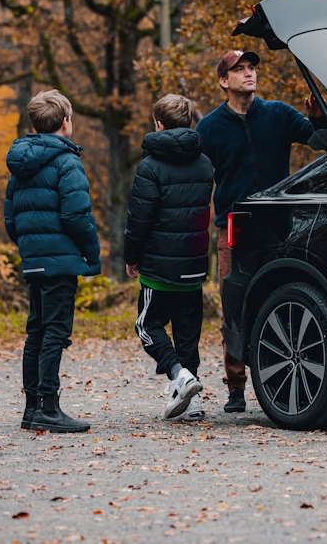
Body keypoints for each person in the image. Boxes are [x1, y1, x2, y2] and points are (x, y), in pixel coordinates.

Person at [196, 49, 327, 413]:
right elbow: (196, 179)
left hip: (279, 224)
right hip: (233, 228)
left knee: (287, 300)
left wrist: (317, 114)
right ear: (224, 81)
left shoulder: (279, 114)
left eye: (251, 67)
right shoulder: (208, 127)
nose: (249, 73)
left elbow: (320, 141)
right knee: (234, 308)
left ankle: (288, 377)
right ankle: (236, 387)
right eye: (239, 69)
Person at [4, 89, 101, 432]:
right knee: (56, 333)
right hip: (61, 263)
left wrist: (29, 247)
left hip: (34, 261)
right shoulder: (66, 161)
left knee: (37, 331)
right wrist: (91, 253)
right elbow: (77, 215)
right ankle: (49, 406)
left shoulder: (20, 164)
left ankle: (32, 408)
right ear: (65, 122)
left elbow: (11, 219)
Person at [124, 94, 215, 422]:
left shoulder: (150, 166)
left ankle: (180, 375)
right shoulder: (205, 163)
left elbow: (139, 219)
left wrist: (131, 257)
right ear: (190, 122)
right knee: (188, 335)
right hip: (193, 266)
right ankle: (192, 406)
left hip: (159, 270)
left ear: (158, 125)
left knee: (147, 324)